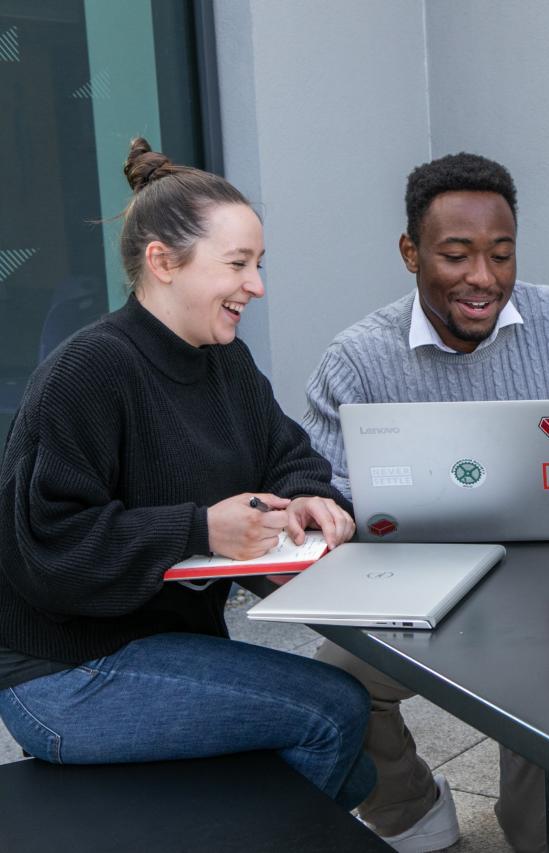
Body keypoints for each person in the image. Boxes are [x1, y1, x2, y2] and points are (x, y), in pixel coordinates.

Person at [0, 139, 372, 806]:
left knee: (356, 764)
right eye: (238, 264)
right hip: (67, 673)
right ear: (163, 261)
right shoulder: (89, 371)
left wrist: (310, 497)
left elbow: (287, 455)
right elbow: (48, 547)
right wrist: (200, 527)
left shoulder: (225, 362)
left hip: (160, 647)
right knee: (333, 713)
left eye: (259, 264)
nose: (256, 286)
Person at [303, 152, 549, 852]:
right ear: (411, 252)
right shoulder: (355, 359)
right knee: (332, 682)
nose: (483, 279)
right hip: (412, 583)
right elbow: (325, 494)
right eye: (457, 255)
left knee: (540, 823)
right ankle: (408, 809)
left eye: (501, 254)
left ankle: (548, 818)